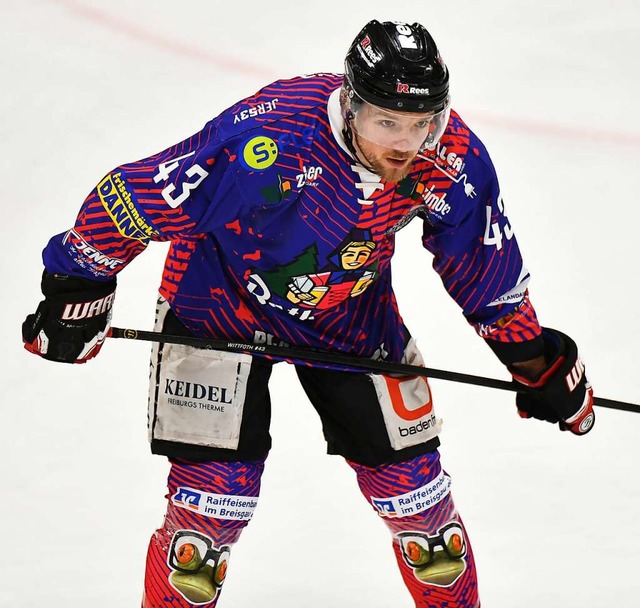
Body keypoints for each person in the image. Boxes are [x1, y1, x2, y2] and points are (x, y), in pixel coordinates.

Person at [22, 19, 595, 608]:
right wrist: (76, 292)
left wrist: (536, 364)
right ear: (350, 106)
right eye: (387, 122)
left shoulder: (452, 159)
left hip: (351, 316)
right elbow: (132, 198)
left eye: (423, 123)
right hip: (216, 305)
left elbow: (484, 272)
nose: (406, 143)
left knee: (428, 522)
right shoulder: (268, 138)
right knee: (204, 533)